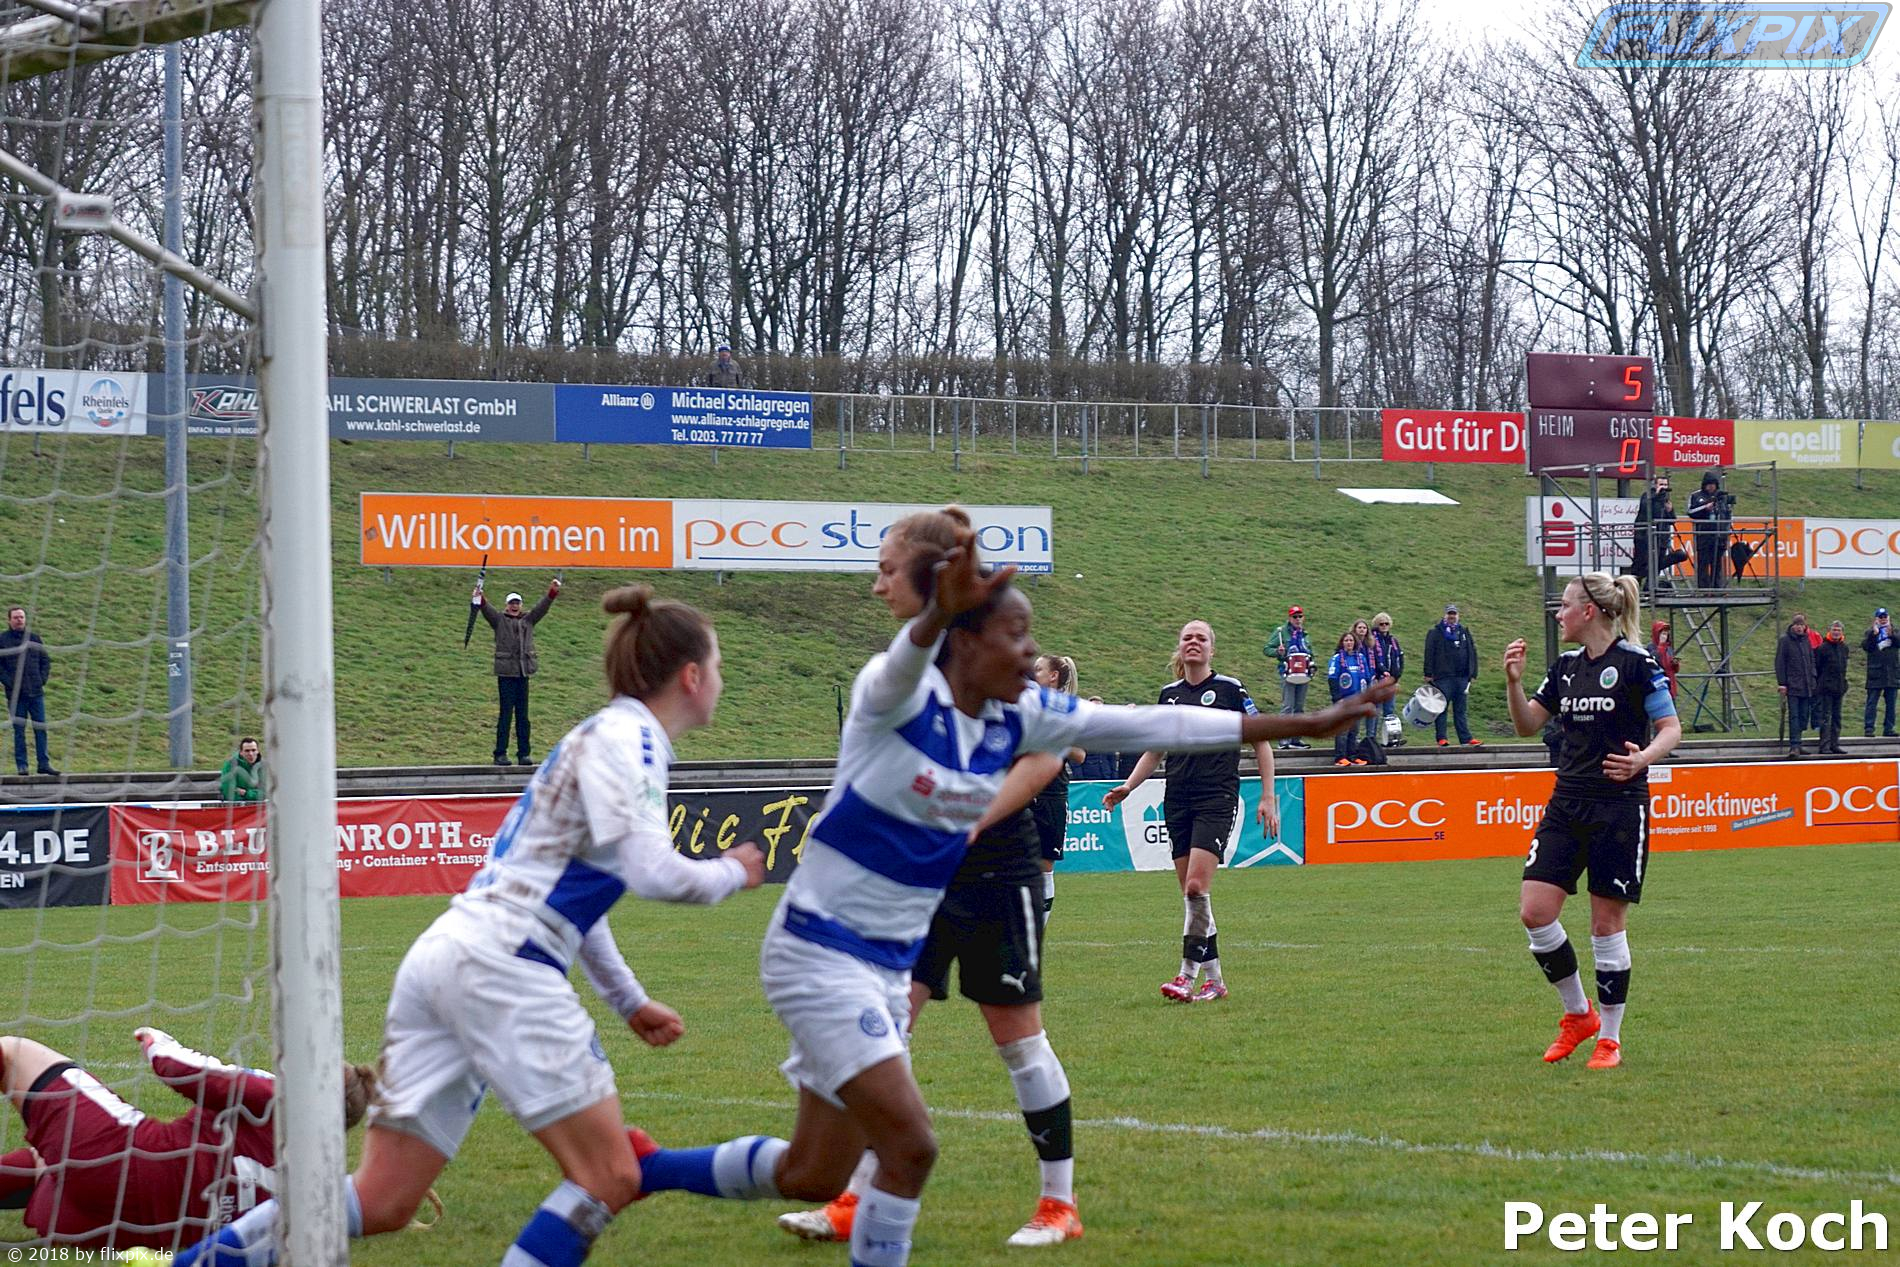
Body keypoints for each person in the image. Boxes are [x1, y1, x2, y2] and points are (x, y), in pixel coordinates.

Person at [634, 530, 1382, 1267]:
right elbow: (911, 655)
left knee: (814, 1166)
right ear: (964, 640)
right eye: (1015, 637)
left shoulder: (1025, 712)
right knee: (911, 1144)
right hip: (823, 950)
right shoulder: (893, 693)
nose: (1032, 656)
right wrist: (939, 607)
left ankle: (647, 1170)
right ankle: (850, 1201)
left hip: (916, 930)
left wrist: (1307, 721)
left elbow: (1162, 722)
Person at [176, 585, 770, 1267]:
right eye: (718, 665)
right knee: (608, 1175)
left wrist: (628, 1000)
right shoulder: (632, 739)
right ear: (691, 675)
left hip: (447, 955)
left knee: (382, 1199)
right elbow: (654, 872)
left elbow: (571, 897)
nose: (720, 678)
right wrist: (731, 870)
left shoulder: (600, 735)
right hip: (505, 967)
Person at [774, 515, 1092, 1249]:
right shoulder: (906, 669)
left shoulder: (994, 652)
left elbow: (1046, 756)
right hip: (916, 880)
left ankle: (1059, 1205)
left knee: (1018, 1040)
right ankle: (855, 1197)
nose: (878, 584)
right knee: (882, 1034)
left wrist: (973, 819)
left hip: (995, 870)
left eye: (888, 569)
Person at [1502, 571, 1680, 1071]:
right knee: (1535, 911)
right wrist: (1514, 683)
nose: (1558, 613)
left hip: (1618, 807)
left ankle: (1610, 1039)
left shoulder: (1637, 663)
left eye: (1564, 605)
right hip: (1567, 803)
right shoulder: (1564, 668)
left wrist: (1642, 759)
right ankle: (1578, 1015)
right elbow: (1526, 725)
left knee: (1606, 925)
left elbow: (1671, 728)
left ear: (1589, 611)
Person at [0, 1026, 375, 1251]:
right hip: (127, 1232)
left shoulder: (282, 1098)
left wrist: (156, 1041)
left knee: (13, 1053)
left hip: (128, 1162)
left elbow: (183, 1070)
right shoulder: (318, 1189)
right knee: (48, 1164)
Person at [1105, 620, 1286, 1002]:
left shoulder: (1230, 689)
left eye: (1201, 638)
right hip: (1177, 799)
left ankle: (1186, 975)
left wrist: (1268, 797)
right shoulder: (1169, 694)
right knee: (1193, 897)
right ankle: (1215, 981)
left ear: (1211, 649)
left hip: (1216, 797)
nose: (1193, 642)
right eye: (1187, 637)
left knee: (1195, 888)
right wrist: (1129, 786)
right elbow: (1156, 749)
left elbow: (1262, 742)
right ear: (1180, 646)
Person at [475, 579, 560, 766]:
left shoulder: (528, 620)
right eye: (512, 603)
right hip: (506, 675)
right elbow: (486, 609)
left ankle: (524, 754)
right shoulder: (499, 620)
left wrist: (552, 593)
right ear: (507, 605)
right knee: (505, 716)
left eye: (517, 603)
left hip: (523, 674)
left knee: (523, 717)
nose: (514, 606)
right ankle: (500, 754)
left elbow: (542, 608)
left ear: (521, 605)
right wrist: (480, 597)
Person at [1028, 654, 1083, 915]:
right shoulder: (1025, 703)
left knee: (1044, 868)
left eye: (1038, 669)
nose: (1033, 672)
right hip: (1021, 792)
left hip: (1050, 795)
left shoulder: (1067, 709)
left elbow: (1080, 754)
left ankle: (1038, 930)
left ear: (1053, 676)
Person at [0, 605, 55, 776]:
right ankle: (22, 766)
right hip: (16, 695)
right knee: (19, 731)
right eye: (16, 617)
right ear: (9, 620)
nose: (19, 620)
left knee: (41, 728)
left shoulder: (34, 638)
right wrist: (10, 683)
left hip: (36, 693)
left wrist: (41, 679)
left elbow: (45, 661)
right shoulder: (2, 640)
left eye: (21, 617)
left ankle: (43, 763)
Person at [1423, 603, 1480, 748]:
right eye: (1449, 614)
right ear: (1445, 615)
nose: (1452, 617)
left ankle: (1465, 738)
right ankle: (1442, 737)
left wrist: (1473, 672)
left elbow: (1472, 651)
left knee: (1460, 710)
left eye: (1454, 614)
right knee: (1441, 708)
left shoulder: (1463, 632)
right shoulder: (1436, 632)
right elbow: (1429, 653)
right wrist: (1428, 673)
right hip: (1443, 677)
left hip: (1461, 677)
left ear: (1458, 616)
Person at [1262, 604, 1313, 749]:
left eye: (1300, 616)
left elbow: (1310, 652)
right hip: (1288, 672)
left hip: (1303, 673)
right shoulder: (1281, 632)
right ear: (1290, 618)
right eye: (1295, 617)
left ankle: (1296, 739)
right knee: (1288, 707)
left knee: (1299, 708)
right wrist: (1278, 652)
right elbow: (1266, 649)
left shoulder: (1305, 635)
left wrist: (1311, 662)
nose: (1298, 619)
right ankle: (1284, 740)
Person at [1327, 628, 1376, 766]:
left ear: (1355, 643)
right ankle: (1340, 757)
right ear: (1342, 643)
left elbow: (1367, 678)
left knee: (1354, 729)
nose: (1349, 643)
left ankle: (1352, 755)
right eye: (1346, 640)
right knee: (1343, 729)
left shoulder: (1360, 658)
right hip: (1344, 700)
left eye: (1351, 640)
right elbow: (1332, 679)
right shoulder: (1337, 658)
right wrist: (1337, 698)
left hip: (1358, 699)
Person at [1775, 613, 1818, 759]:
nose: (1799, 628)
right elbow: (1780, 662)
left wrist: (1813, 677)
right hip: (1792, 685)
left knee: (1804, 715)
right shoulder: (1785, 641)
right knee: (1794, 716)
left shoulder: (1806, 640)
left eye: (1801, 625)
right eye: (1797, 625)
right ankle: (1794, 745)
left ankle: (1799, 743)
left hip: (1806, 685)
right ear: (1793, 626)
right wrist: (1782, 683)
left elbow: (1811, 660)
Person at [1686, 470, 1732, 590]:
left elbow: (1727, 514)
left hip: (1719, 536)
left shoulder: (1722, 496)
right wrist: (1705, 507)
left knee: (1717, 564)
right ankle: (1703, 589)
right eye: (1709, 484)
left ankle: (1717, 588)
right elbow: (1690, 512)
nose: (1711, 487)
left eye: (1713, 484)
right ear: (1704, 484)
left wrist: (1726, 530)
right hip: (1703, 535)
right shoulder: (1696, 496)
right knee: (1703, 563)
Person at [1367, 612, 1405, 743]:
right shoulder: (1372, 639)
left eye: (1386, 624)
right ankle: (1371, 738)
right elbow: (1374, 659)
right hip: (1378, 680)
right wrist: (1382, 672)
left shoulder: (1393, 641)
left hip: (1390, 681)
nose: (1384, 626)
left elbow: (1399, 658)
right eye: (1381, 624)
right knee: (1375, 710)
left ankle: (1390, 738)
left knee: (1389, 710)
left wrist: (1397, 675)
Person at [1815, 621, 1850, 755]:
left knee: (1837, 718)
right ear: (1830, 631)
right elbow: (1818, 667)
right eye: (1834, 630)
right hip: (1826, 688)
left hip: (1839, 688)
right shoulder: (1823, 648)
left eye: (1838, 630)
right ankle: (1824, 745)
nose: (1836, 632)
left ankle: (1835, 744)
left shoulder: (1844, 648)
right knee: (1826, 717)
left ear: (1842, 632)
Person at [1863, 607, 1898, 738]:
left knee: (1891, 704)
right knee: (1872, 702)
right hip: (1875, 673)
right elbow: (1866, 646)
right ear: (1876, 619)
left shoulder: (1895, 630)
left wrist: (1891, 635)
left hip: (1892, 673)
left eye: (1885, 617)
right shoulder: (1870, 632)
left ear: (1888, 617)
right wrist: (1874, 635)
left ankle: (1889, 728)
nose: (1883, 619)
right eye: (1880, 617)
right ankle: (1869, 728)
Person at [218, 737, 266, 803]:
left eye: (253, 750)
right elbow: (229, 792)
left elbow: (265, 793)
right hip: (237, 805)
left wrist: (246, 793)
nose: (251, 754)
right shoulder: (231, 765)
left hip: (258, 805)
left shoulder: (263, 766)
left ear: (258, 751)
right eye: (247, 751)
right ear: (241, 752)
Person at [1647, 620, 1679, 700]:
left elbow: (1674, 670)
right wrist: (1661, 645)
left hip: (1671, 686)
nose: (1665, 636)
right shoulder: (1650, 647)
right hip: (1659, 686)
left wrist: (1675, 664)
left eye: (1666, 634)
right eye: (1663, 634)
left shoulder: (1669, 648)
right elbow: (1655, 662)